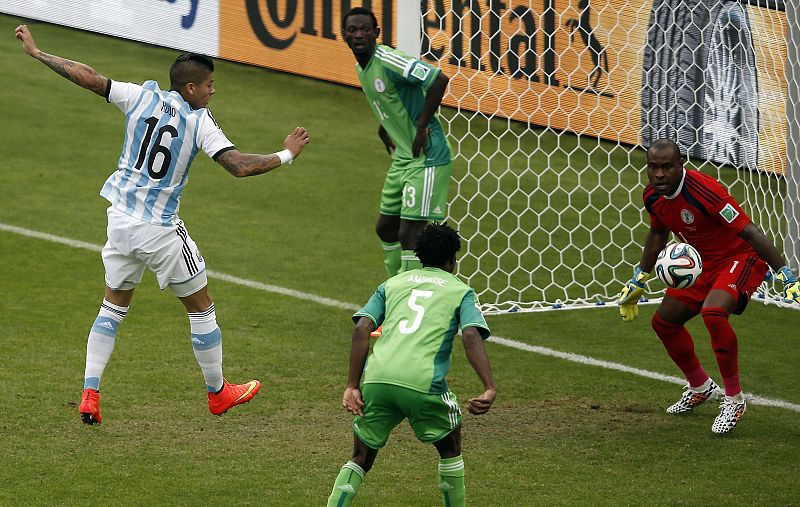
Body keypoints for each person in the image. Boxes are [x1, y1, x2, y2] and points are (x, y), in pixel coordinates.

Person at [15, 25, 310, 425]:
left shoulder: (140, 95)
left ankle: (90, 392)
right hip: (159, 231)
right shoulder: (199, 122)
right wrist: (287, 154)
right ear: (189, 89)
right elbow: (238, 167)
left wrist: (38, 53)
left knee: (113, 305)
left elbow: (89, 77)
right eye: (208, 84)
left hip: (118, 220)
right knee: (201, 308)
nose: (212, 91)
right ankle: (218, 392)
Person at [617, 139, 799, 434]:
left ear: (680, 166)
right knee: (664, 323)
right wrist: (640, 276)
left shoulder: (706, 192)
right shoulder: (651, 196)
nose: (659, 174)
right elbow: (657, 232)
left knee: (713, 313)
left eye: (666, 167)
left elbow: (750, 232)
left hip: (741, 257)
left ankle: (734, 399)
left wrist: (785, 275)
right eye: (653, 167)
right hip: (702, 265)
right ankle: (701, 386)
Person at [326, 223, 497, 507]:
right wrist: (489, 386)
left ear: (418, 255)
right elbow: (470, 335)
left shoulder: (392, 284)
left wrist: (352, 386)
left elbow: (362, 327)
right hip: (423, 382)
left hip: (378, 379)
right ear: (452, 260)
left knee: (360, 457)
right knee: (450, 447)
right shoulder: (461, 291)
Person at [341, 7, 453, 282]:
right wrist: (386, 126)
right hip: (403, 159)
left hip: (427, 157)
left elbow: (438, 79)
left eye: (365, 29)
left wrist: (422, 124)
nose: (358, 35)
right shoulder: (362, 66)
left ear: (377, 33)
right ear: (343, 34)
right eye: (352, 30)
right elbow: (391, 100)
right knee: (386, 229)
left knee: (410, 236)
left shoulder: (389, 60)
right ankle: (395, 292)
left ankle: (410, 301)